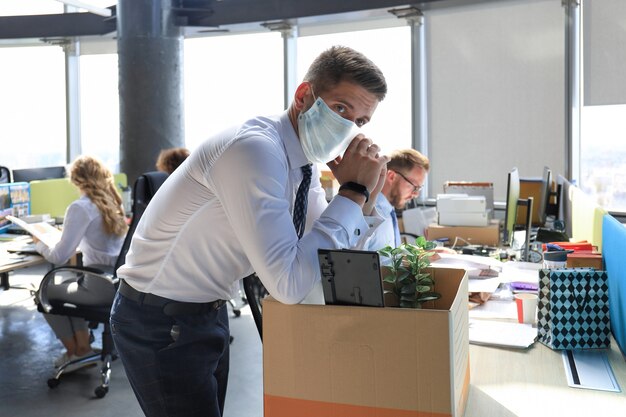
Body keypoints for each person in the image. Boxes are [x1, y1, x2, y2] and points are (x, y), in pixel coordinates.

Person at [110, 45, 389, 417]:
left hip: (205, 310)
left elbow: (324, 253)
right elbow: (289, 284)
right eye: (341, 109)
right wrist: (354, 193)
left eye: (361, 122)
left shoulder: (302, 164)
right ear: (304, 96)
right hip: (160, 318)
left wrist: (364, 197)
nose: (349, 128)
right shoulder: (256, 151)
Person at [34, 155, 127, 371]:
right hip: (116, 283)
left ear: (75, 180)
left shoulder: (81, 207)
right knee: (67, 287)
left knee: (45, 292)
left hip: (97, 285)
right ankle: (82, 348)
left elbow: (58, 256)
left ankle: (73, 352)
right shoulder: (113, 202)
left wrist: (39, 242)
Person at [367, 148, 429, 250]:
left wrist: (422, 254)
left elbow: (388, 256)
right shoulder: (371, 214)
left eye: (419, 188)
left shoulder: (388, 211)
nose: (416, 194)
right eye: (414, 186)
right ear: (391, 176)